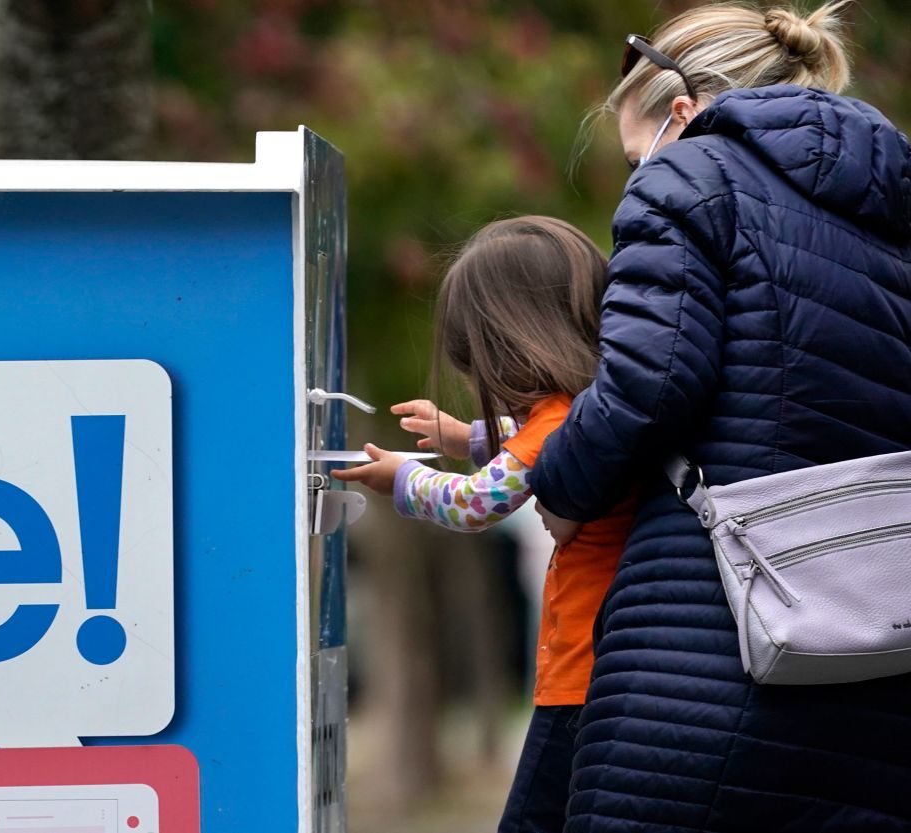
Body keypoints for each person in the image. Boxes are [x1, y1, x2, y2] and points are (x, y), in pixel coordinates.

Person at [530, 2, 911, 831]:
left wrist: (556, 484)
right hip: (877, 671)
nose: (638, 176)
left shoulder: (690, 174)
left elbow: (648, 384)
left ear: (679, 112)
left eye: (636, 158)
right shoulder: (891, 215)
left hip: (708, 656)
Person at [334, 216, 632, 833]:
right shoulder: (592, 408)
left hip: (580, 679)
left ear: (510, 344)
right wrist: (463, 435)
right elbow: (526, 449)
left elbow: (477, 501)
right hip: (602, 670)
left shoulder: (556, 422)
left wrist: (403, 482)